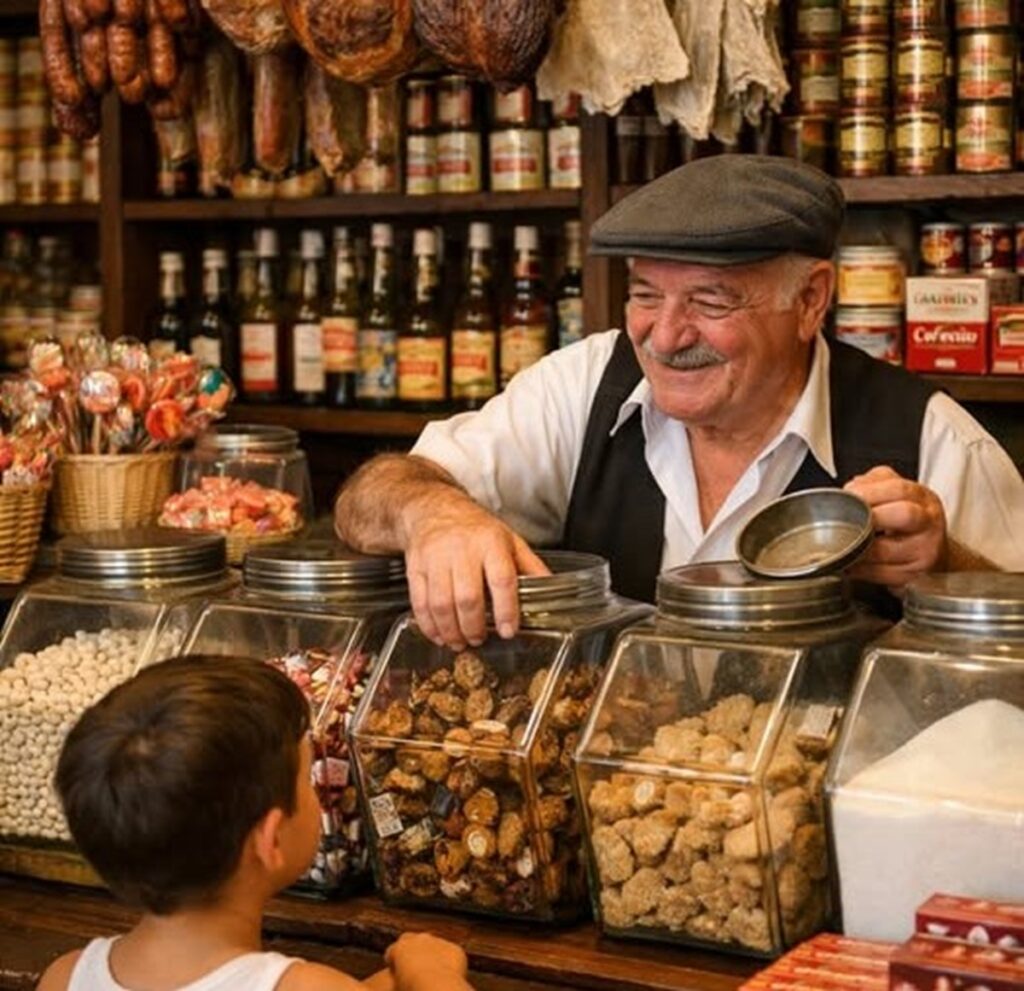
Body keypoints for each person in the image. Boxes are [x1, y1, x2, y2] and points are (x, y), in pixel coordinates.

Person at [335, 155, 1024, 650]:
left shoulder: (933, 439)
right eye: (644, 294)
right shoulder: (583, 386)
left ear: (811, 299)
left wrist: (947, 569)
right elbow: (367, 497)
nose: (664, 336)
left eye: (709, 300)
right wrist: (435, 511)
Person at [38, 655, 474, 991]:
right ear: (269, 840)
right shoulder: (303, 986)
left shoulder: (66, 976)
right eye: (307, 780)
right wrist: (432, 973)